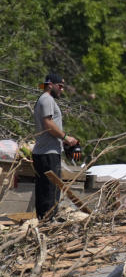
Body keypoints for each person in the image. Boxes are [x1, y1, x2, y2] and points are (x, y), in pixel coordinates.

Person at [32, 72, 79, 220]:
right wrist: (66, 137)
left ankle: (45, 222)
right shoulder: (47, 99)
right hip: (47, 154)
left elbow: (51, 127)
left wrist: (63, 141)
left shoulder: (46, 99)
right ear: (50, 84)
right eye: (60, 86)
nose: (62, 90)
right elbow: (48, 124)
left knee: (48, 192)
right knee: (49, 194)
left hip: (47, 152)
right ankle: (47, 224)